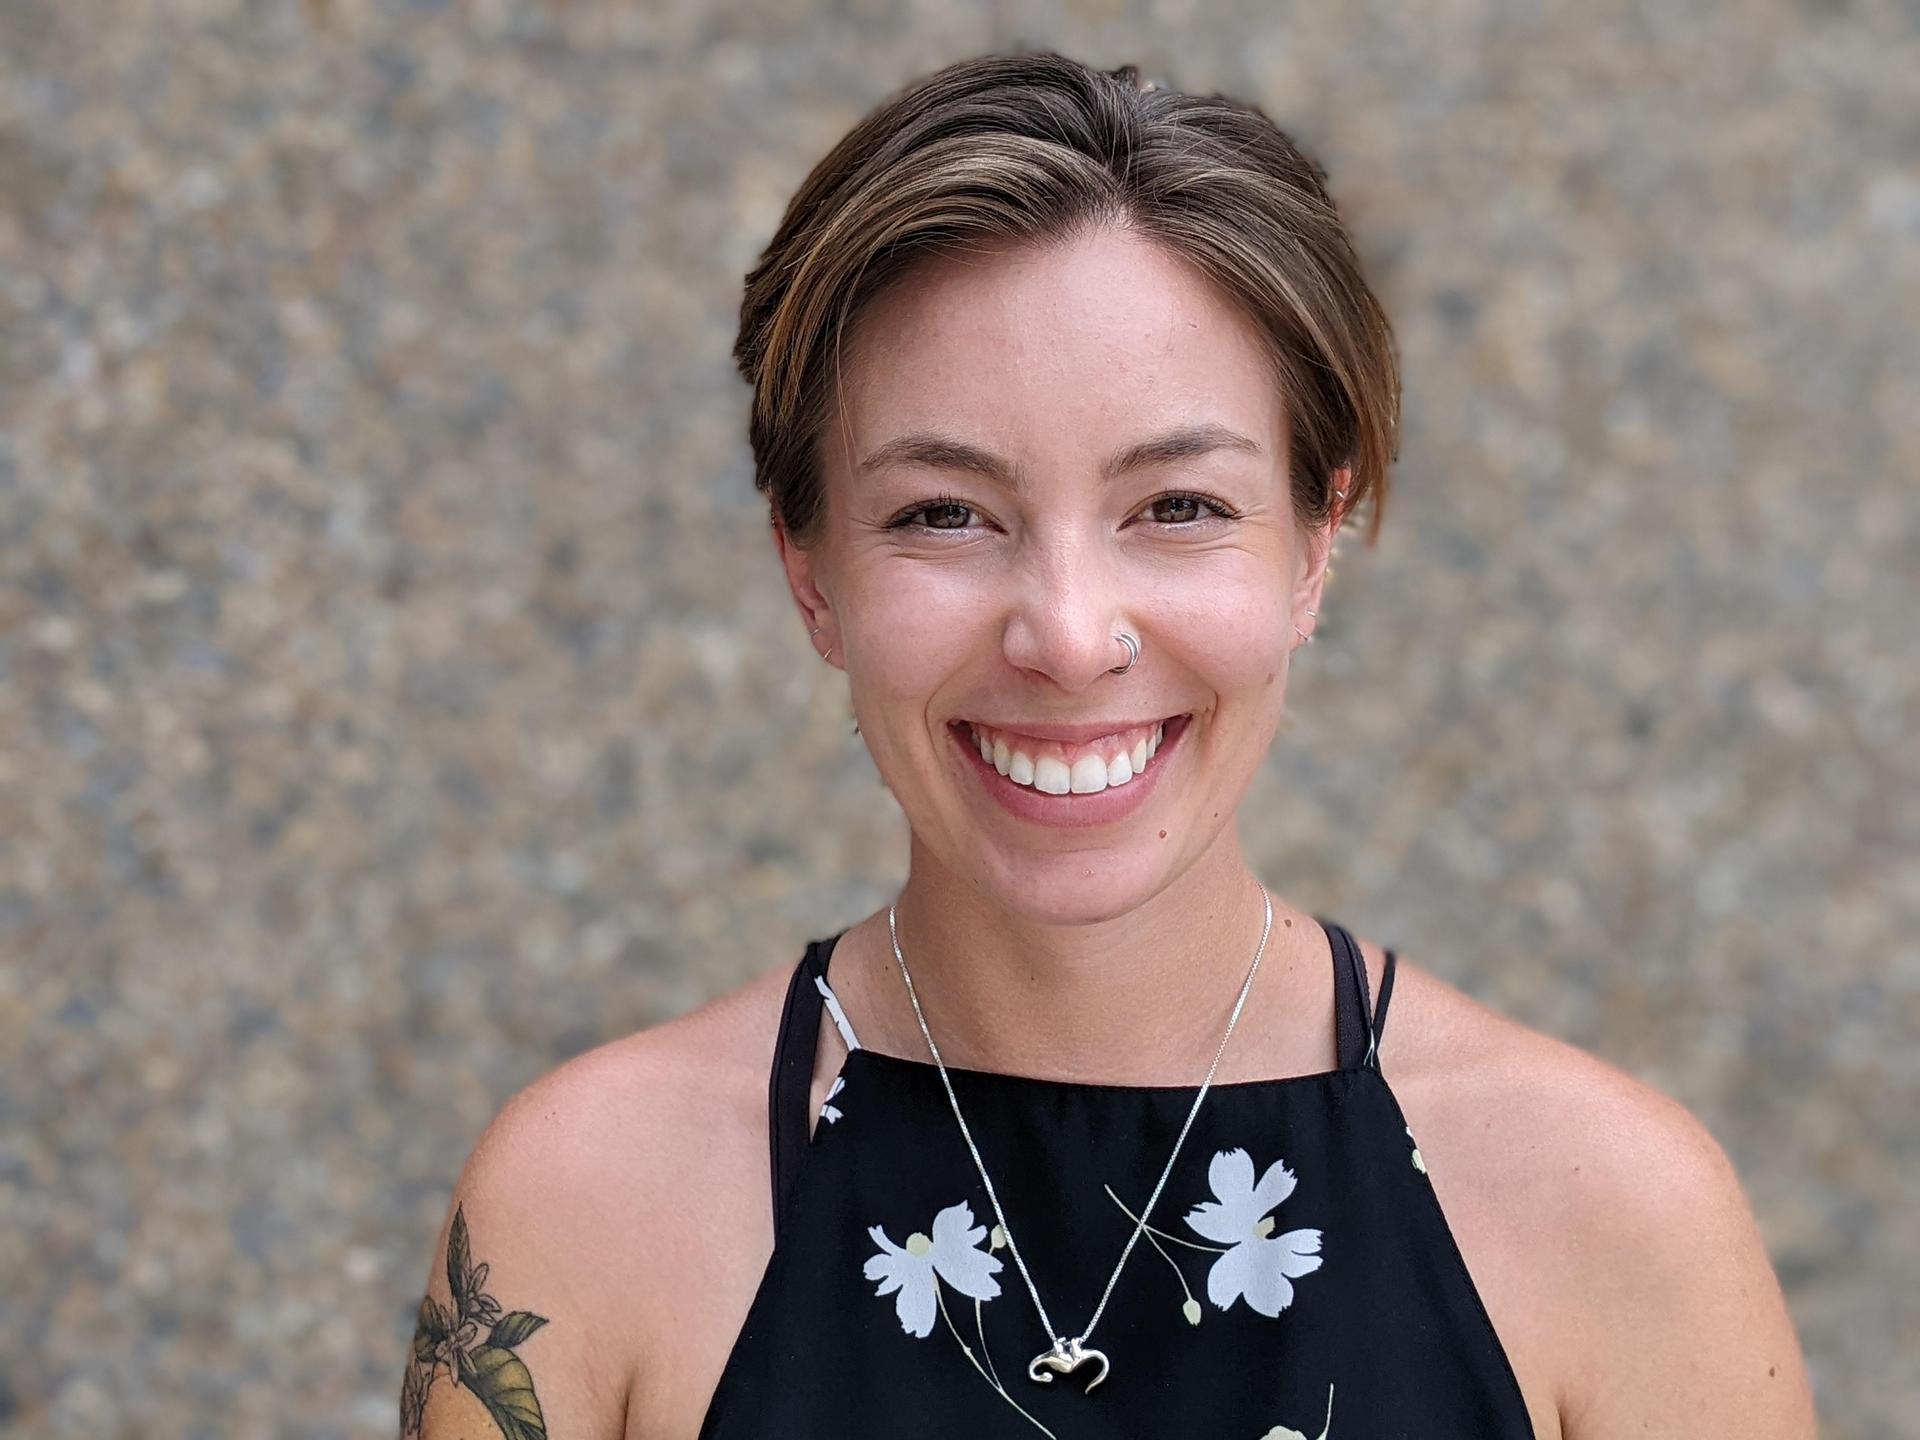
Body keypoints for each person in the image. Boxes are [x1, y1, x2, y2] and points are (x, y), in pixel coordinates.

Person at [399, 52, 1817, 1440]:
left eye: (1180, 506)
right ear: (811, 569)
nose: (1069, 638)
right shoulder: (583, 1211)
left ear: (1315, 549)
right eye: (945, 513)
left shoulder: (1620, 1220)